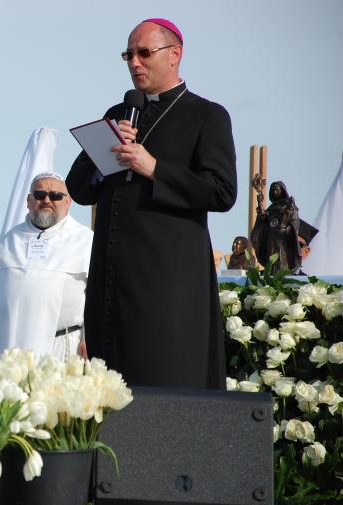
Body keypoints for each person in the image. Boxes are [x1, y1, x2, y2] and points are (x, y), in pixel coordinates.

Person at [66, 18, 237, 389]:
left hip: (167, 284)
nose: (135, 63)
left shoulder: (207, 115)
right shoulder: (118, 114)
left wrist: (155, 169)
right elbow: (77, 189)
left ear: (175, 54)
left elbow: (223, 191)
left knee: (163, 384)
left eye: (144, 53)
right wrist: (104, 157)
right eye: (128, 54)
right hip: (111, 281)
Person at [0, 172, 92, 365]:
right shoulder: (10, 239)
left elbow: (98, 295)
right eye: (39, 195)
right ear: (28, 201)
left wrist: (91, 336)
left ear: (68, 202)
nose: (47, 200)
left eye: (56, 196)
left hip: (60, 347)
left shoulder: (85, 239)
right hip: (11, 346)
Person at [250, 181, 301, 274]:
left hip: (282, 239)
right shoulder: (271, 208)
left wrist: (286, 229)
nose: (274, 191)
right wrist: (261, 211)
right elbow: (264, 220)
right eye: (273, 190)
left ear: (282, 190)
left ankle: (281, 273)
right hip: (271, 238)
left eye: (276, 189)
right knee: (271, 257)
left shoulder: (289, 206)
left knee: (281, 257)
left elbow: (294, 222)